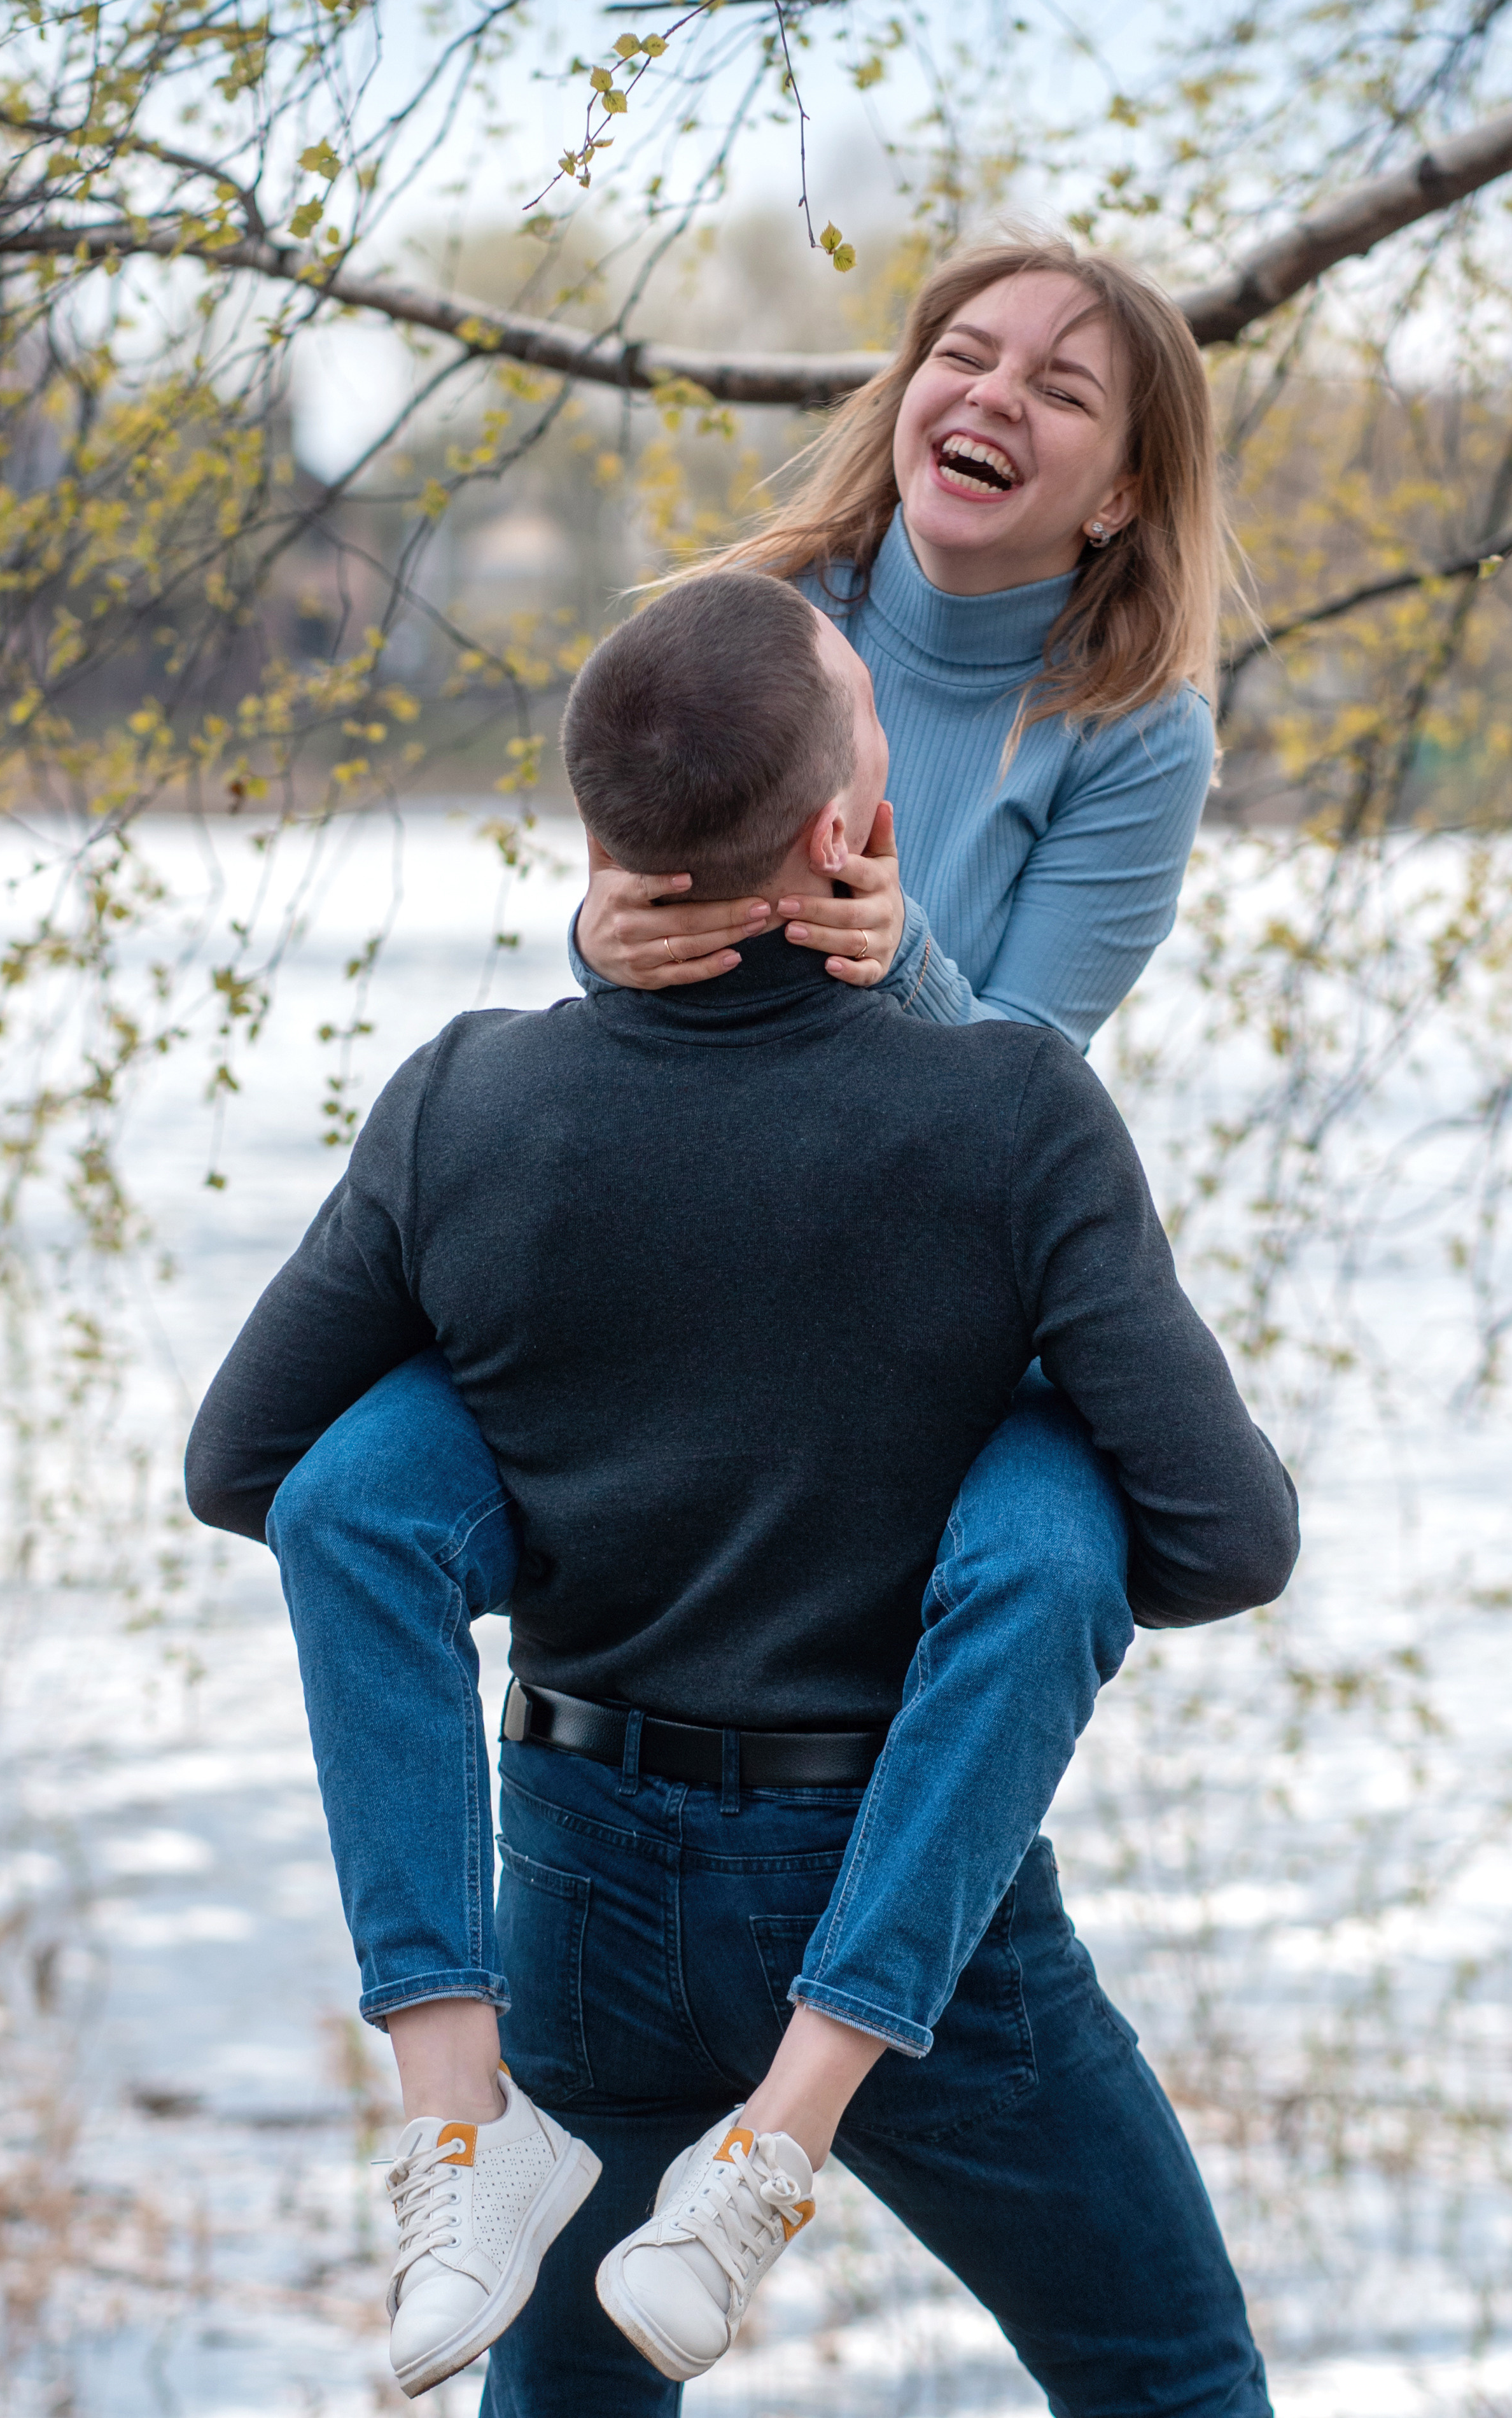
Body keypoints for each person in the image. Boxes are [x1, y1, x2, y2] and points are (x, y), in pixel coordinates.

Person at [186, 567, 1298, 2415]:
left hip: (577, 1871)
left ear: (607, 848)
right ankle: (776, 2135)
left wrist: (520, 1459)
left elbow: (247, 1466)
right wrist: (1034, 1486)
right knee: (1165, 2377)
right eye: (871, 718)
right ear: (847, 832)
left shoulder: (465, 1101)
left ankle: (456, 2131)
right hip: (896, 1866)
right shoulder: (1011, 1117)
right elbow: (1232, 1538)